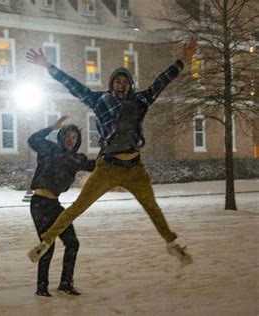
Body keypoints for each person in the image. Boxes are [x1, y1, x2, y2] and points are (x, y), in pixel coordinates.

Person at [26, 40, 197, 265]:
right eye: (117, 80)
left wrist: (183, 61)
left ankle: (171, 243)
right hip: (108, 167)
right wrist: (49, 66)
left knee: (152, 206)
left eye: (125, 81)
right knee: (79, 206)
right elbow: (75, 87)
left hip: (134, 168)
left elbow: (160, 83)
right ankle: (46, 241)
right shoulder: (100, 101)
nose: (121, 84)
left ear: (130, 85)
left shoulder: (140, 100)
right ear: (111, 84)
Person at [28, 115, 95, 297]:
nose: (70, 140)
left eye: (74, 137)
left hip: (55, 204)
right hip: (39, 203)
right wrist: (51, 127)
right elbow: (33, 140)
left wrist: (115, 155)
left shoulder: (76, 159)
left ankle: (66, 284)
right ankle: (42, 288)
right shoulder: (49, 148)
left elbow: (96, 166)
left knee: (72, 243)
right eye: (67, 136)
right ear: (61, 136)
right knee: (47, 244)